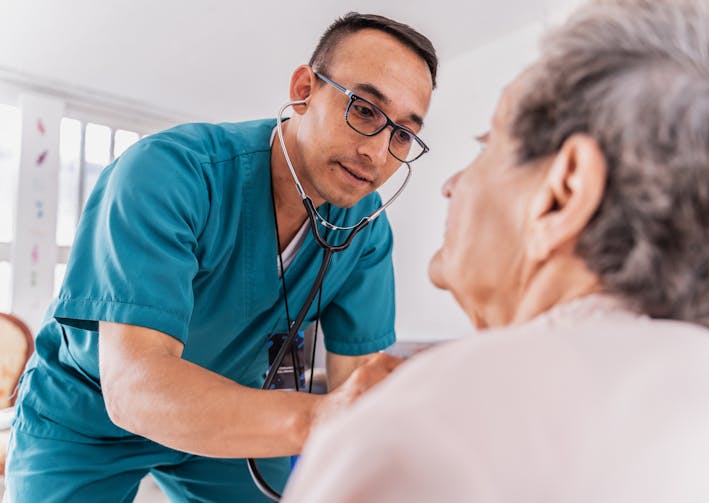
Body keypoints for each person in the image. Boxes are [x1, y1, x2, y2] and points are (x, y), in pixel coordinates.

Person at [282, 1, 709, 501]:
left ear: (563, 193)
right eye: (365, 111)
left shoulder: (423, 430)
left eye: (487, 146)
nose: (450, 184)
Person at [3, 12, 437, 503]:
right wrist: (316, 418)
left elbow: (359, 389)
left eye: (402, 134)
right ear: (303, 90)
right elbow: (134, 388)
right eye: (364, 110)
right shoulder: (167, 173)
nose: (377, 154)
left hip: (233, 407)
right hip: (89, 412)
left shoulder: (366, 230)